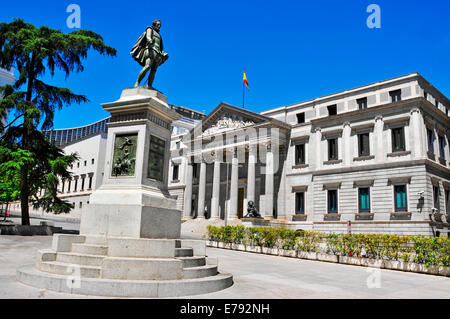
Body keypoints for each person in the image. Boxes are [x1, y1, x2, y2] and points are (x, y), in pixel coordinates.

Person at [131, 19, 169, 89]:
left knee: (154, 70)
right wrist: (150, 40)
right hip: (150, 50)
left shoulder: (159, 35)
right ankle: (137, 83)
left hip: (158, 53)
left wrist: (163, 54)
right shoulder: (150, 29)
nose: (159, 26)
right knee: (147, 66)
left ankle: (149, 85)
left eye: (160, 25)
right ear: (154, 24)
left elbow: (160, 46)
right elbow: (148, 36)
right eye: (158, 25)